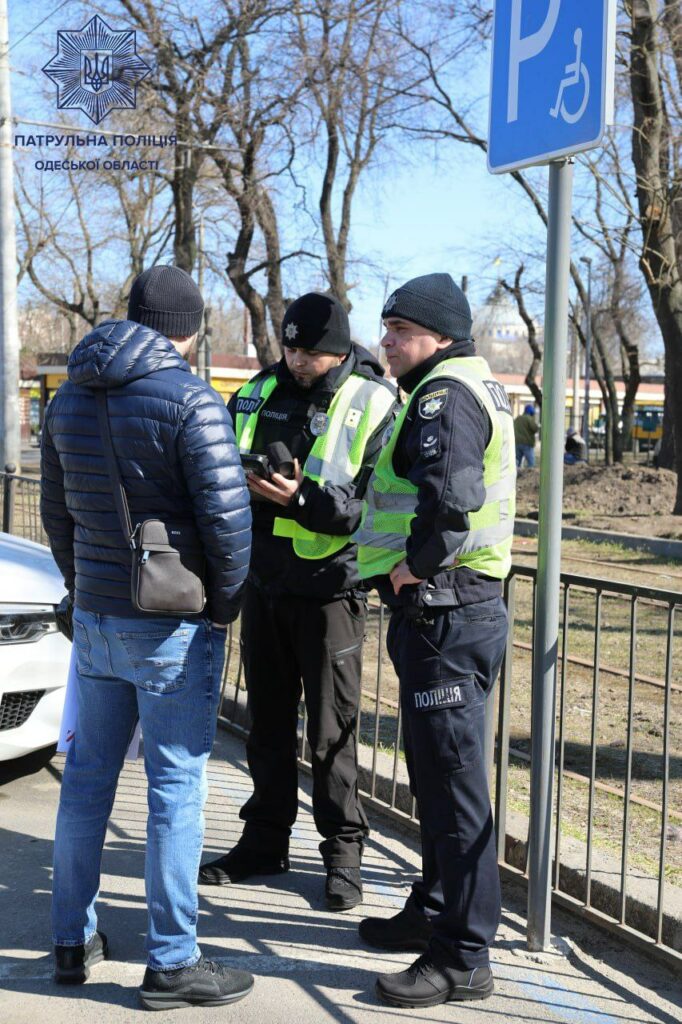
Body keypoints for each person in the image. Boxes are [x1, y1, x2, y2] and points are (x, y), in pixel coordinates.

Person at [40, 266, 254, 1011]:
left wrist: (85, 587)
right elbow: (229, 522)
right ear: (189, 329)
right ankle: (172, 963)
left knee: (87, 780)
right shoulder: (191, 398)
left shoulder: (70, 394)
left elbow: (56, 512)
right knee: (175, 790)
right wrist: (222, 608)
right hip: (171, 625)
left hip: (96, 616)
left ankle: (72, 939)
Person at [198, 292, 396, 911]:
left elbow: (379, 512)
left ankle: (343, 857)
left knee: (332, 736)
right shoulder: (258, 390)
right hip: (265, 584)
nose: (298, 359)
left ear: (338, 347)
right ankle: (264, 843)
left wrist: (300, 500)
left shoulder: (375, 401)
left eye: (310, 350)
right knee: (268, 726)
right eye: (290, 346)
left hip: (331, 591)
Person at [353, 273, 516, 1007]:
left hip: (448, 609)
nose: (387, 340)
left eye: (401, 329)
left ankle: (464, 956)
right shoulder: (446, 385)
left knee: (453, 789)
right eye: (385, 327)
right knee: (434, 776)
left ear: (441, 334)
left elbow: (451, 502)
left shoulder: (445, 394)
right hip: (446, 612)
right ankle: (433, 909)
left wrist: (410, 573)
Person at [514, 403, 539, 467]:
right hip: (527, 444)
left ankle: (517, 476)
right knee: (531, 463)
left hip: (517, 443)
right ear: (531, 412)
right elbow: (535, 429)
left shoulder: (518, 418)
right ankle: (529, 476)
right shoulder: (529, 419)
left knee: (517, 463)